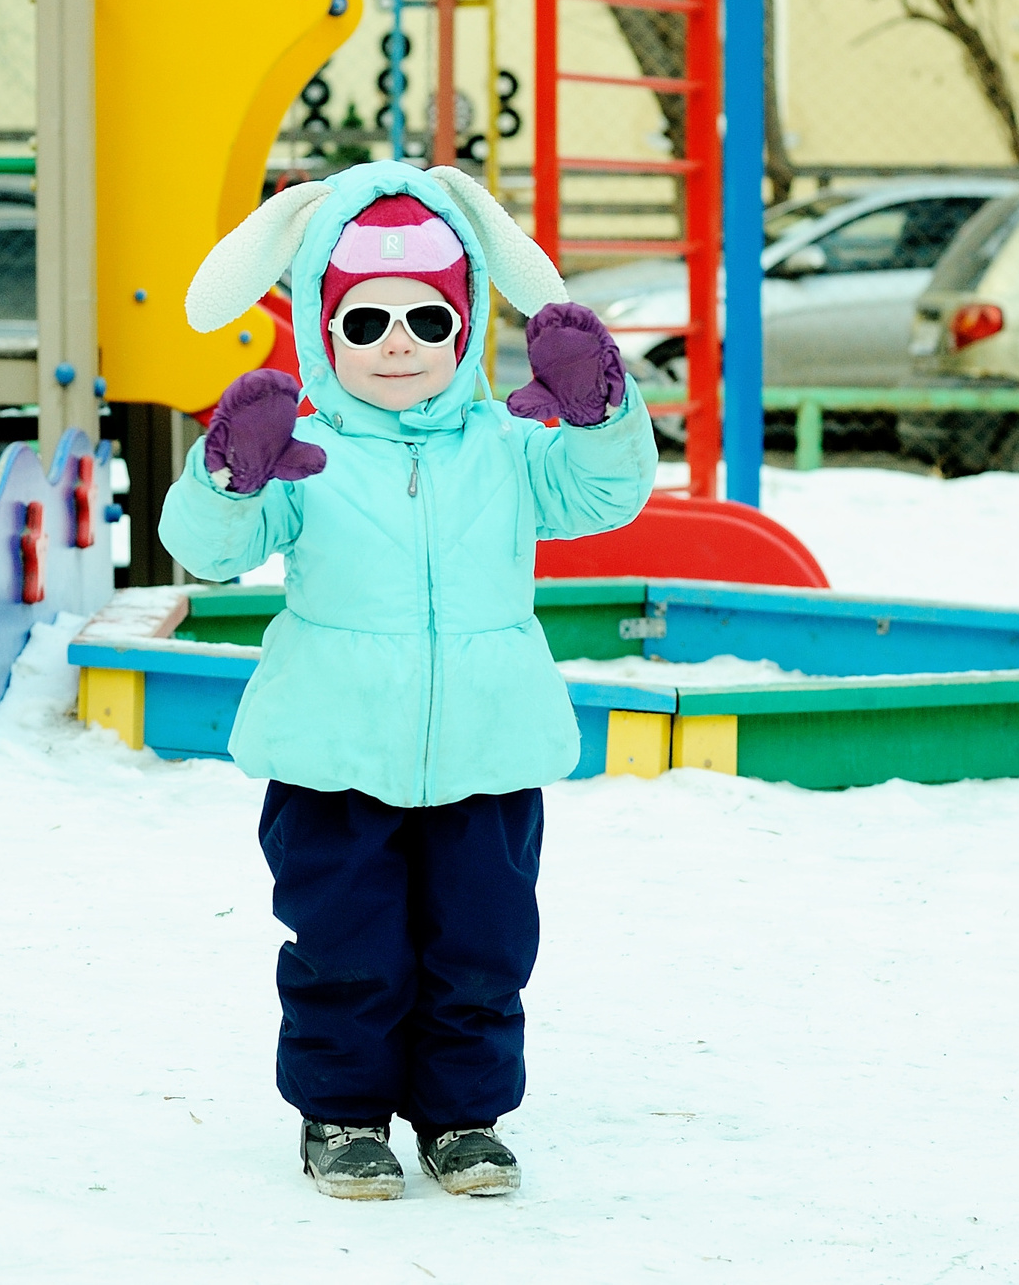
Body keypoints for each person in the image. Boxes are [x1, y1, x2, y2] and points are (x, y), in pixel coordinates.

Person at [162, 161, 656, 1200]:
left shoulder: (507, 447)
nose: (398, 342)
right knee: (346, 943)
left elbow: (603, 496)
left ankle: (463, 1117)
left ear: (466, 327)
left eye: (429, 320)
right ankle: (341, 1113)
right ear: (322, 328)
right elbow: (210, 550)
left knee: (484, 942)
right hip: (334, 753)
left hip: (485, 747)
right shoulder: (306, 453)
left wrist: (600, 415)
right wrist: (227, 479)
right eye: (367, 320)